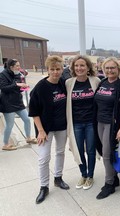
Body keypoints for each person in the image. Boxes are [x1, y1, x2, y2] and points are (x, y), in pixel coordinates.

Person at [29, 55, 70, 204]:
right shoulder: (40, 87)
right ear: (48, 70)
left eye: (58, 69)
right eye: (52, 69)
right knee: (44, 158)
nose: (55, 72)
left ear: (62, 69)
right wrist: (40, 130)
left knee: (60, 152)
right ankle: (43, 187)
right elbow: (33, 111)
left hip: (61, 126)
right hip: (45, 129)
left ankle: (58, 178)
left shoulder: (63, 84)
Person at [93, 57, 120, 199]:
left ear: (118, 69)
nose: (110, 70)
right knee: (105, 153)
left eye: (112, 68)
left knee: (107, 154)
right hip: (99, 122)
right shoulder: (102, 83)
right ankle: (114, 178)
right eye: (107, 68)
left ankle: (109, 184)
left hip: (113, 124)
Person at [66, 55, 100, 190]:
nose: (79, 68)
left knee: (91, 150)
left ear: (88, 67)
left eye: (82, 65)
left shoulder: (95, 81)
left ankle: (90, 176)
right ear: (73, 68)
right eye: (77, 66)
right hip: (76, 123)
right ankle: (83, 174)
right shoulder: (69, 83)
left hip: (91, 123)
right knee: (78, 151)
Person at [0, 59, 37, 151]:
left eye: (19, 65)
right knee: (10, 124)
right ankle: (5, 144)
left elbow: (18, 87)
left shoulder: (17, 74)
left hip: (18, 102)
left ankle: (28, 138)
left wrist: (23, 87)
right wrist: (17, 85)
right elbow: (4, 88)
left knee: (27, 119)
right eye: (17, 66)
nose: (19, 67)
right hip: (7, 104)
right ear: (11, 67)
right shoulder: (3, 75)